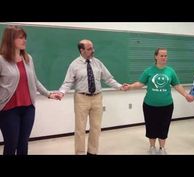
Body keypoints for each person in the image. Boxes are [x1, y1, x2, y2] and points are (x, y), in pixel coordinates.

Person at [57, 39, 125, 155]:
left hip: (97, 98)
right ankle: (80, 152)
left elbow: (108, 78)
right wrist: (61, 92)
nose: (93, 51)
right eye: (89, 49)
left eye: (92, 48)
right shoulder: (74, 65)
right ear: (81, 50)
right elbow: (68, 82)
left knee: (96, 127)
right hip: (81, 98)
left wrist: (120, 86)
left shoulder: (98, 63)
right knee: (80, 129)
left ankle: (92, 151)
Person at [0, 25, 60, 155]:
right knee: (11, 145)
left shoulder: (28, 59)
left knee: (23, 145)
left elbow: (35, 81)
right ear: (10, 40)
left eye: (25, 38)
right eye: (20, 38)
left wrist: (49, 94)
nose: (24, 40)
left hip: (28, 108)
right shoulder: (1, 60)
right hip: (8, 110)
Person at [124, 48, 190, 155]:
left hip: (167, 105)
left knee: (164, 126)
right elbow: (140, 84)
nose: (164, 58)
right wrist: (130, 86)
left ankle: (162, 148)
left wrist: (186, 95)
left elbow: (177, 85)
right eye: (161, 55)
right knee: (151, 126)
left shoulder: (170, 71)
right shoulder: (149, 71)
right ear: (156, 56)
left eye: (165, 56)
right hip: (150, 105)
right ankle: (152, 147)